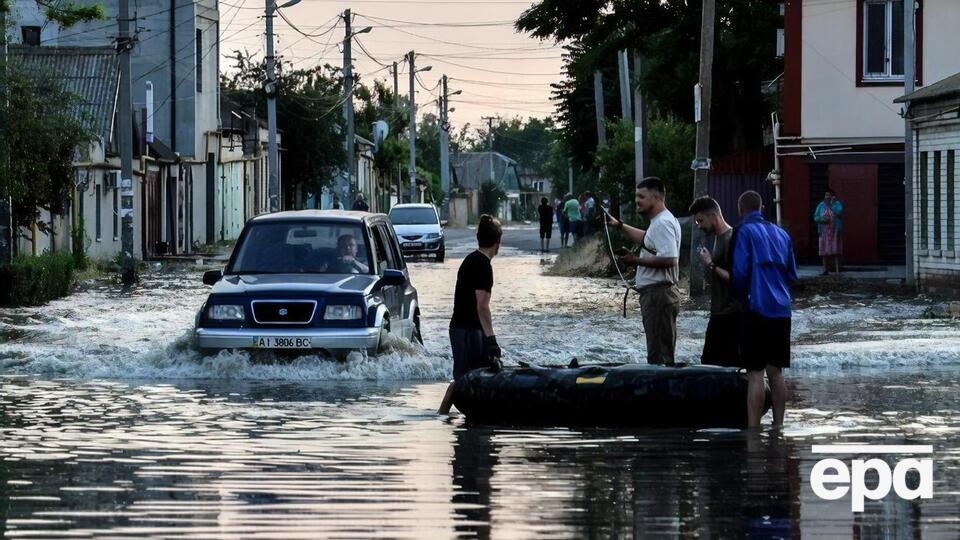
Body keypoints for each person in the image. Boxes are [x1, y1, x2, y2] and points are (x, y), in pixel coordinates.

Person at [731, 190, 798, 428]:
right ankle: (779, 426)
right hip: (782, 309)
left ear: (741, 210)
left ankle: (753, 430)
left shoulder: (743, 231)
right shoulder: (782, 234)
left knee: (755, 375)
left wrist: (741, 298)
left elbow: (739, 273)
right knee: (776, 372)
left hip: (756, 308)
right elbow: (792, 275)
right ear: (762, 208)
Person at [606, 177, 682, 366]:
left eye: (641, 196)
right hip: (658, 295)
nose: (637, 200)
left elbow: (670, 259)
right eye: (636, 196)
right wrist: (620, 226)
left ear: (656, 197)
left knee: (659, 358)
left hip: (659, 296)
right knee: (658, 353)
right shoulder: (659, 222)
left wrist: (635, 260)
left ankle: (661, 393)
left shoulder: (663, 223)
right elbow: (648, 239)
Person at [438, 215, 504, 414]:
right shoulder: (484, 266)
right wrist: (491, 340)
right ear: (497, 242)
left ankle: (447, 415)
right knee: (466, 379)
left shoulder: (470, 259)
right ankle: (442, 415)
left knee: (467, 376)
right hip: (468, 331)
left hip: (460, 328)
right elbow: (482, 306)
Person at [689, 196, 741, 367]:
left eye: (700, 220)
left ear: (713, 215)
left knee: (722, 365)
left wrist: (710, 264)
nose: (699, 226)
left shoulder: (732, 238)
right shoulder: (717, 238)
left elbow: (736, 279)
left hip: (731, 314)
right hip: (719, 312)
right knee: (710, 364)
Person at [814, 188, 843, 276]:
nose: (828, 197)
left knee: (836, 251)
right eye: (826, 195)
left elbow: (839, 212)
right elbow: (815, 217)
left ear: (833, 196)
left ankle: (837, 270)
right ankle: (825, 270)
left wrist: (831, 205)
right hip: (824, 232)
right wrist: (821, 219)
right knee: (824, 251)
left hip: (835, 231)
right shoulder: (821, 205)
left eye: (829, 195)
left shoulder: (837, 204)